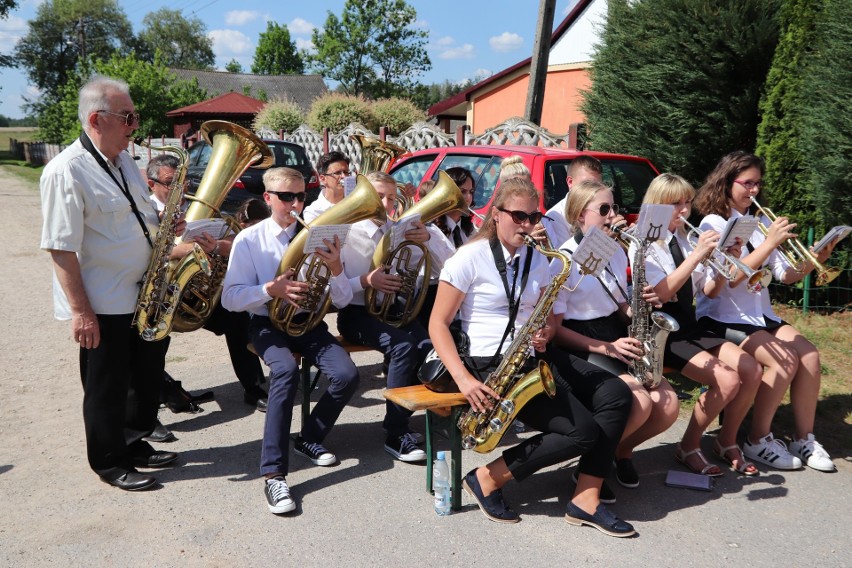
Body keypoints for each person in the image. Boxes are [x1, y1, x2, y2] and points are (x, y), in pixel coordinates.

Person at [429, 177, 635, 537]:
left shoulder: (538, 260)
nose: (526, 225)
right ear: (496, 215)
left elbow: (544, 318)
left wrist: (545, 334)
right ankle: (486, 478)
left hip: (532, 354)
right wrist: (464, 378)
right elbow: (437, 324)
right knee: (582, 432)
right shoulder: (469, 257)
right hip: (490, 364)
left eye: (533, 217)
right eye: (518, 216)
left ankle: (586, 498)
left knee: (616, 393)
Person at [40, 75, 177, 492]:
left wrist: (168, 228)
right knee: (108, 388)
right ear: (98, 119)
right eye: (128, 117)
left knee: (145, 379)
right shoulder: (65, 171)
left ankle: (134, 444)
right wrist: (82, 312)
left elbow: (141, 220)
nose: (135, 125)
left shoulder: (125, 162)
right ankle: (108, 461)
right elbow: (61, 249)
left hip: (142, 295)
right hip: (102, 304)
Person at [222, 167, 360, 514]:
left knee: (346, 375)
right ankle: (274, 475)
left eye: (301, 195)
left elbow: (341, 300)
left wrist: (337, 268)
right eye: (287, 197)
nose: (296, 203)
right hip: (268, 323)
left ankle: (309, 438)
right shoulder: (249, 240)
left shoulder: (317, 235)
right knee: (284, 372)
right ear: (268, 198)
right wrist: (271, 289)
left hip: (309, 323)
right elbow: (230, 298)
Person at [694, 151, 837, 472]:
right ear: (727, 183)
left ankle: (804, 438)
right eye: (747, 183)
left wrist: (815, 260)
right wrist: (768, 244)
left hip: (759, 315)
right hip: (722, 317)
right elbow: (729, 279)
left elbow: (786, 275)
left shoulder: (760, 222)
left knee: (809, 355)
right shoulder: (715, 223)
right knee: (783, 360)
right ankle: (757, 439)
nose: (754, 190)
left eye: (758, 184)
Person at [551, 179, 679, 489]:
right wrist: (607, 347)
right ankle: (591, 466)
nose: (613, 216)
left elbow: (619, 304)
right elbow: (555, 332)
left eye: (614, 208)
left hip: (614, 333)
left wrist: (637, 310)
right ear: (581, 215)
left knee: (668, 403)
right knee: (640, 401)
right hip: (580, 343)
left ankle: (621, 451)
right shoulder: (563, 260)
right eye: (604, 209)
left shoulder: (614, 251)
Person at [634, 173, 762, 476]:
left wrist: (723, 265)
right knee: (728, 380)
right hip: (661, 329)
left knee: (751, 369)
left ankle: (726, 441)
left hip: (687, 323)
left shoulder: (683, 238)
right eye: (675, 203)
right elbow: (661, 295)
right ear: (658, 205)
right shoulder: (644, 242)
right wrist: (696, 256)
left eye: (688, 203)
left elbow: (709, 291)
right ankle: (689, 445)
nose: (684, 210)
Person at [146, 156, 270, 412]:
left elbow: (236, 240)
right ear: (152, 184)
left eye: (184, 182)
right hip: (160, 297)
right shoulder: (144, 212)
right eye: (172, 183)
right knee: (151, 340)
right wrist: (182, 250)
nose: (181, 190)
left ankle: (254, 388)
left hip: (195, 294)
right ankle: (158, 398)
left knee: (237, 318)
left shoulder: (196, 207)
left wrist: (218, 247)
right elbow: (142, 251)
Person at [338, 171, 436, 463]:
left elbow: (432, 268)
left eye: (391, 198)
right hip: (355, 313)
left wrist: (427, 239)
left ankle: (411, 416)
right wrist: (366, 281)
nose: (384, 203)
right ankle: (396, 432)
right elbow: (335, 294)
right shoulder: (345, 233)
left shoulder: (396, 229)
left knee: (430, 348)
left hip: (391, 310)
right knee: (403, 346)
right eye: (378, 196)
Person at [415, 167, 477, 328]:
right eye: (462, 191)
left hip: (462, 303)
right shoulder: (428, 229)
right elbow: (449, 266)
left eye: (471, 192)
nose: (468, 198)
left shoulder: (469, 230)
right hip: (431, 304)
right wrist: (429, 239)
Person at [541, 156, 604, 248]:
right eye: (586, 184)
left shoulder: (603, 209)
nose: (593, 190)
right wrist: (605, 240)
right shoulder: (555, 216)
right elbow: (566, 257)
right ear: (570, 182)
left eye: (597, 185)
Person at [303, 151, 351, 223]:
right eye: (338, 173)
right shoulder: (313, 212)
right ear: (323, 179)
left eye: (346, 172)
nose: (344, 176)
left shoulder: (356, 202)